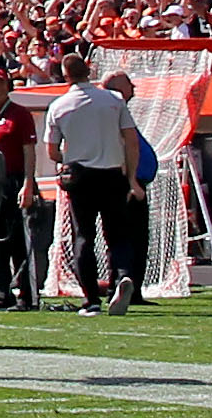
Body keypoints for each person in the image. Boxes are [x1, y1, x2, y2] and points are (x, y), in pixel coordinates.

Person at [48, 65, 143, 311]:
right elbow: (131, 140)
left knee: (84, 236)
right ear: (88, 72)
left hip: (81, 176)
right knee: (118, 234)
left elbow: (52, 151)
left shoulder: (59, 106)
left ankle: (91, 298)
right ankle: (122, 276)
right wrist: (131, 178)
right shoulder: (113, 100)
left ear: (66, 75)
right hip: (112, 172)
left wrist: (69, 157)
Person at [0, 66, 50, 315]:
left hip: (13, 181)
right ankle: (0, 291)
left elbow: (29, 151)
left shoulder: (20, 114)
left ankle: (26, 294)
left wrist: (29, 183)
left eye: (0, 84)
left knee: (18, 240)